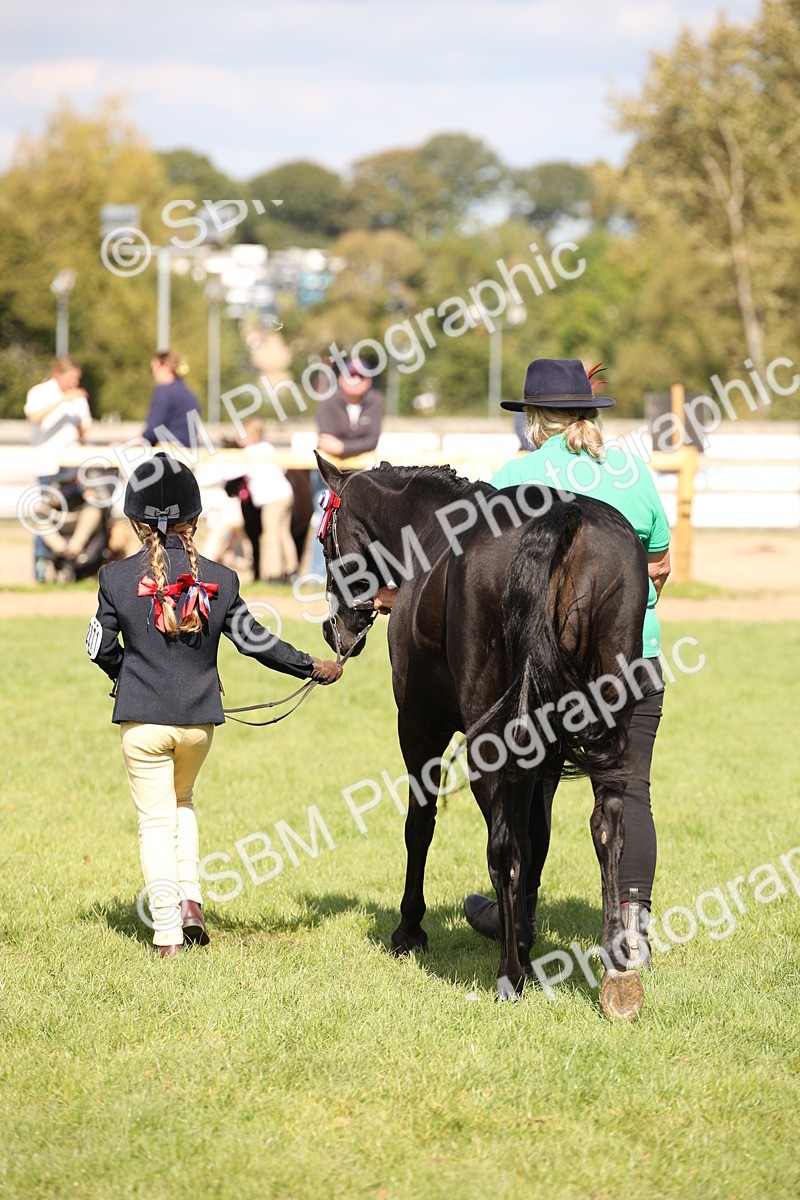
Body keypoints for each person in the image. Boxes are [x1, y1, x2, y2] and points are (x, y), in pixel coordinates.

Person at [86, 453, 342, 957]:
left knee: (155, 822)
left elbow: (99, 648)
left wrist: (125, 677)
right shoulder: (222, 579)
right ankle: (191, 902)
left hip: (142, 724)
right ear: (195, 519)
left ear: (135, 521)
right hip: (198, 725)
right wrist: (312, 665)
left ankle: (166, 934)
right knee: (182, 803)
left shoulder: (114, 578)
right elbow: (257, 643)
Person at [463, 358, 671, 969]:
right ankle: (630, 931)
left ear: (533, 418)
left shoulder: (512, 477)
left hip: (539, 670)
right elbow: (660, 564)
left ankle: (517, 913)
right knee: (629, 789)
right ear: (588, 413)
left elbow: (483, 581)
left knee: (527, 788)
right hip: (631, 661)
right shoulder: (630, 470)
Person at [310, 356, 384, 577]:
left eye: (361, 376)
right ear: (341, 379)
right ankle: (319, 574)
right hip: (328, 474)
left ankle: (359, 573)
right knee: (324, 517)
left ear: (369, 381)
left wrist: (342, 446)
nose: (355, 380)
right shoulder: (328, 402)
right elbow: (326, 441)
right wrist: (354, 446)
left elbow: (372, 441)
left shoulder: (376, 401)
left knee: (363, 522)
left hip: (361, 474)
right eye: (351, 375)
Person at [24, 355, 92, 582]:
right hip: (47, 465)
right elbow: (33, 416)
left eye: (76, 379)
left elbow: (85, 430)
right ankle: (42, 567)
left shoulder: (78, 397)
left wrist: (81, 430)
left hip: (72, 466)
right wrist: (63, 400)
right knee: (44, 515)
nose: (74, 383)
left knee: (76, 514)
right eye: (70, 378)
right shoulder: (40, 392)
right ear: (57, 375)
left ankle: (70, 566)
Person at [242, 419, 298, 582]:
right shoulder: (269, 447)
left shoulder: (249, 451)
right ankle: (291, 570)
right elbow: (283, 468)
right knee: (284, 533)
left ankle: (274, 574)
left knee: (270, 536)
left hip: (272, 498)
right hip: (285, 493)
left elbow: (238, 471)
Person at [143, 351, 201, 447]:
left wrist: (138, 440)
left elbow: (153, 431)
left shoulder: (164, 392)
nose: (153, 373)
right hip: (189, 448)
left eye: (154, 368)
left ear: (165, 367)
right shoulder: (188, 392)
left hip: (169, 448)